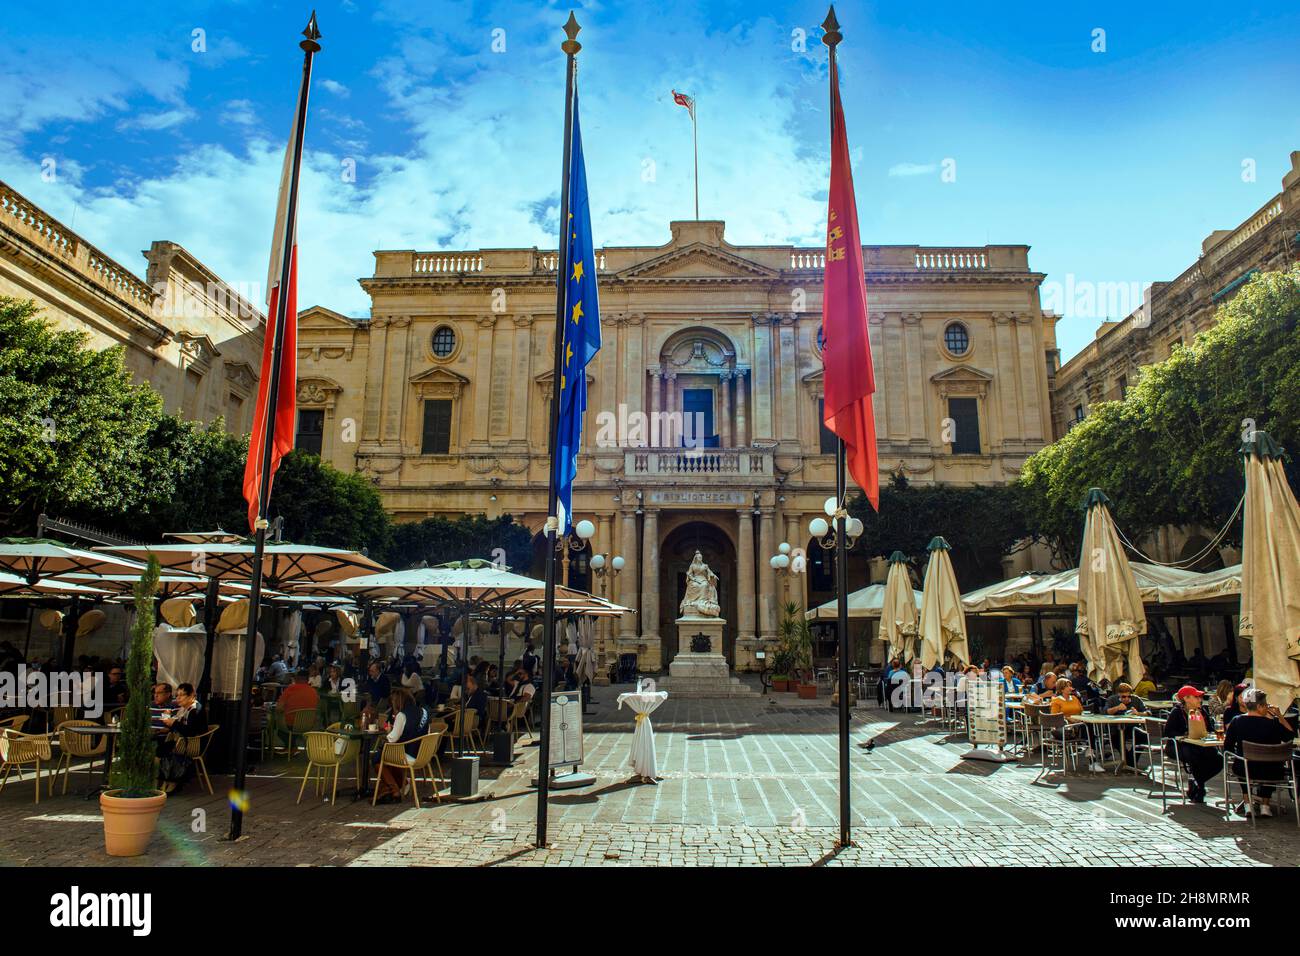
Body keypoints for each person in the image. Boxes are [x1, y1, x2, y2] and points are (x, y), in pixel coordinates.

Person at [1223, 688, 1296, 817]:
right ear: (1259, 706)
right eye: (1266, 704)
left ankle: (1248, 804)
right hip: (1273, 771)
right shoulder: (1272, 723)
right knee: (1269, 763)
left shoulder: (1236, 721)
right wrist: (1279, 716)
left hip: (1245, 770)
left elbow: (1227, 747)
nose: (1267, 706)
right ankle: (1265, 806)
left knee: (1242, 761)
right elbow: (1290, 736)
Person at [1163, 685, 1221, 803]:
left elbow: (1210, 729)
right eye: (1196, 697)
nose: (1200, 699)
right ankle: (1200, 789)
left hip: (1200, 744)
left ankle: (1196, 782)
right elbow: (1168, 732)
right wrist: (1184, 735)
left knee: (1219, 759)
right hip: (1178, 745)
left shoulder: (1202, 711)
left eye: (1200, 697)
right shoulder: (1177, 712)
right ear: (1186, 698)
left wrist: (1210, 734)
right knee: (1195, 756)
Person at [373, 687, 431, 804]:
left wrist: (388, 733)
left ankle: (394, 790)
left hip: (408, 754)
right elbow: (428, 731)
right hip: (422, 753)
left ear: (398, 701)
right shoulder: (423, 711)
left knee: (377, 758)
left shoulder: (402, 715)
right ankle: (400, 784)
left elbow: (392, 738)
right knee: (388, 756)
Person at [1104, 682, 1147, 766]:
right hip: (1116, 727)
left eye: (1129, 696)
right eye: (1123, 696)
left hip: (1133, 727)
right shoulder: (1112, 699)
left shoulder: (1136, 699)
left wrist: (1138, 713)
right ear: (1118, 695)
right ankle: (1130, 762)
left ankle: (1130, 761)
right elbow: (1106, 711)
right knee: (1116, 739)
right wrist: (1117, 708)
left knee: (1143, 737)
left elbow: (1148, 712)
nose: (1126, 698)